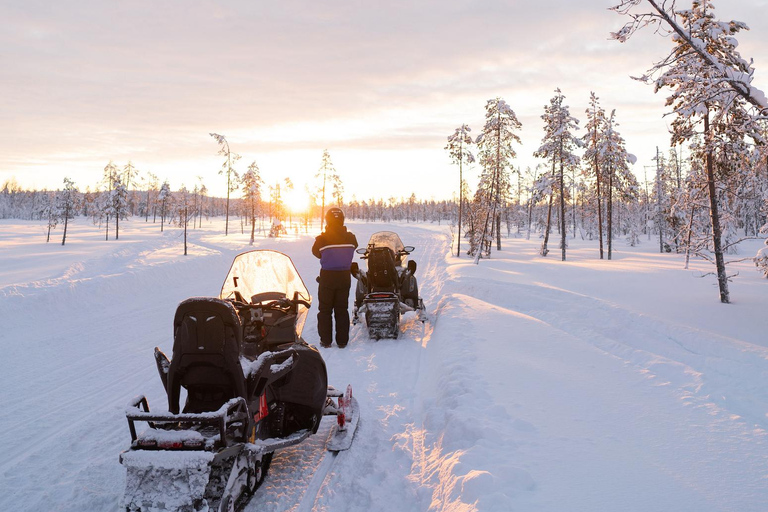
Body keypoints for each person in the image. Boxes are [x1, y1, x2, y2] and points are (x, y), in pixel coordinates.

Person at [312, 207, 358, 348]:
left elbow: (316, 252)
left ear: (327, 220)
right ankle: (342, 341)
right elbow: (354, 246)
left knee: (325, 310)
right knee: (341, 309)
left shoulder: (321, 239)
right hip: (344, 277)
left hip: (327, 277)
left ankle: (326, 341)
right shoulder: (351, 238)